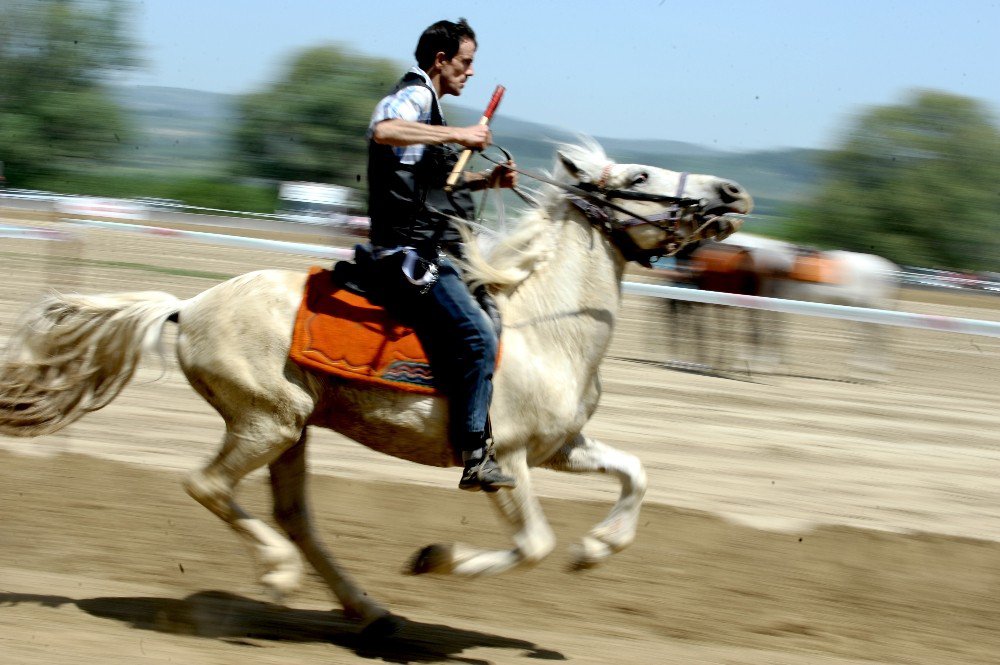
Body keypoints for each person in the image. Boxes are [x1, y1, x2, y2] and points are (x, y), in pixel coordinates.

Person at [365, 18, 518, 492]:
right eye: (465, 63)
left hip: (423, 245)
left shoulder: (430, 108)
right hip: (405, 253)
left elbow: (430, 184)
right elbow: (384, 130)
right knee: (478, 337)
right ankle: (474, 451)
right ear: (440, 60)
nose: (470, 73)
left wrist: (485, 180)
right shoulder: (413, 96)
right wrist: (459, 137)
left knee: (492, 316)